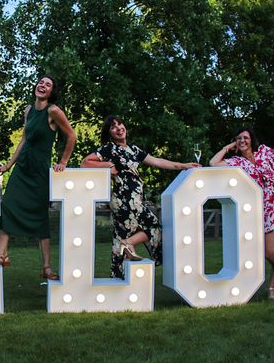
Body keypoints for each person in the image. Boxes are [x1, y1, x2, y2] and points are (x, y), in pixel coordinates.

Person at [81, 116, 199, 279]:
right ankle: (127, 246)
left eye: (120, 124)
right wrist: (107, 165)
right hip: (124, 199)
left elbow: (158, 161)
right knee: (153, 227)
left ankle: (123, 264)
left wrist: (183, 165)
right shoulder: (109, 149)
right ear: (110, 133)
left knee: (128, 233)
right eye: (113, 127)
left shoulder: (134, 150)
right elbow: (85, 163)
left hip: (135, 199)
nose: (119, 128)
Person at [0, 75, 76, 280]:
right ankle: (2, 255)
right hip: (22, 169)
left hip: (39, 172)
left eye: (48, 85)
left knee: (40, 215)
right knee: (7, 205)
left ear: (52, 92)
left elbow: (72, 135)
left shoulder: (53, 111)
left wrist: (64, 161)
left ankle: (46, 268)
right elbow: (24, 140)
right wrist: (9, 165)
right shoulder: (28, 110)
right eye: (41, 82)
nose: (42, 86)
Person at [210, 127, 274, 299]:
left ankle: (271, 290)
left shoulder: (264, 152)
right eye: (238, 138)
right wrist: (227, 148)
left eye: (245, 137)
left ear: (252, 140)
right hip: (266, 207)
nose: (242, 140)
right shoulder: (237, 162)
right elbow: (213, 163)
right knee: (269, 252)